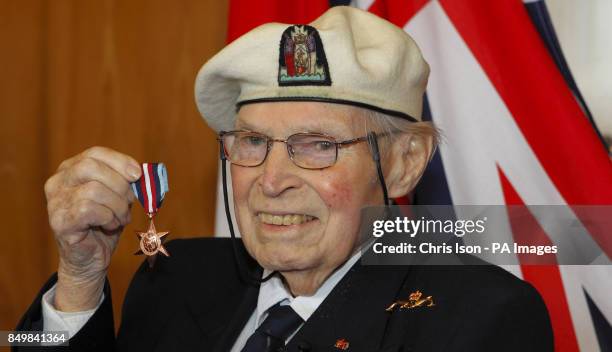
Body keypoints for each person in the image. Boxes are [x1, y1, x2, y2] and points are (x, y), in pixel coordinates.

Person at [15, 6, 553, 352]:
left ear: (403, 161)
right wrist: (79, 278)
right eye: (251, 142)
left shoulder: (481, 319)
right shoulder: (174, 280)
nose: (270, 182)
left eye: (317, 145)